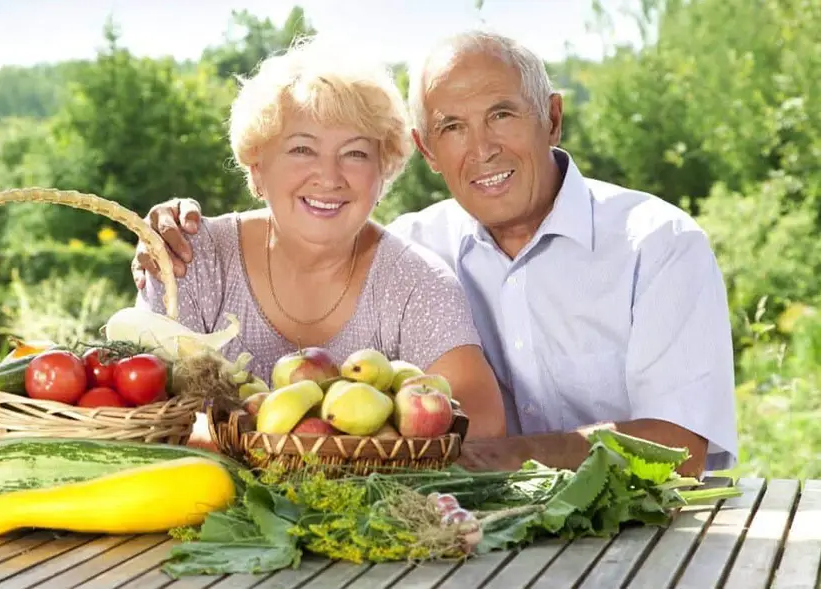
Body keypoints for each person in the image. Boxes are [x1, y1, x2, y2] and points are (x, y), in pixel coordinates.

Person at [132, 30, 738, 477]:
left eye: (501, 114)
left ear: (551, 118)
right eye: (452, 127)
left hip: (647, 530)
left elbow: (680, 447)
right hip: (470, 524)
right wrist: (168, 234)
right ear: (425, 149)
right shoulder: (419, 245)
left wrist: (496, 458)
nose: (482, 150)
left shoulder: (657, 244)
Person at [133, 37, 507, 442]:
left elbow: (483, 424)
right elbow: (143, 410)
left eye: (356, 154)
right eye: (301, 149)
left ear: (383, 174)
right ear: (257, 169)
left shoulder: (417, 282)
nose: (329, 177)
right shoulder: (193, 257)